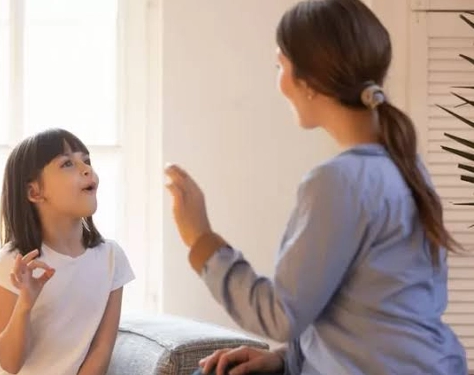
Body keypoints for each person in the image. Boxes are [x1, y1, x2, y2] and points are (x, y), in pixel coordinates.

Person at [164, 0, 468, 374]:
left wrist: (200, 239)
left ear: (309, 81)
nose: (278, 81)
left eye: (280, 66)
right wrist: (284, 359)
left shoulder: (338, 182)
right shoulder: (407, 166)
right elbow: (369, 313)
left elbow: (280, 316)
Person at [0, 128, 135, 374]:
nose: (86, 169)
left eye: (86, 160)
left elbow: (101, 349)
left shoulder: (111, 258)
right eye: (67, 164)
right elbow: (10, 363)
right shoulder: (15, 261)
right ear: (34, 192)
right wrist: (25, 303)